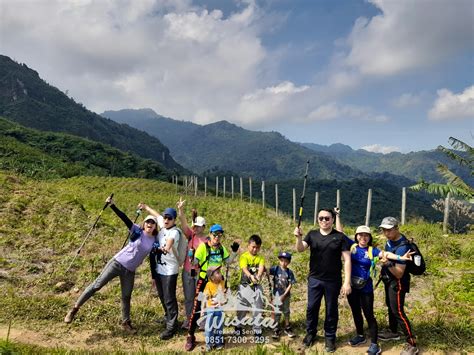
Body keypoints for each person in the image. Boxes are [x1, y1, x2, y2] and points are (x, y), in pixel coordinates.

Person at [64, 196, 158, 334]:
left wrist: (154, 277)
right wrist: (113, 206)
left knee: (126, 296)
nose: (150, 224)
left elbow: (153, 259)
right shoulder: (137, 231)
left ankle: (126, 323)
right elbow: (124, 218)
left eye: (152, 223)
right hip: (117, 263)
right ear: (144, 224)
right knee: (97, 285)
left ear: (155, 226)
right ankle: (74, 309)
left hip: (130, 271)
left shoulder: (154, 241)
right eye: (148, 222)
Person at [340, 224, 414, 355]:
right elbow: (340, 233)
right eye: (360, 235)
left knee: (369, 315)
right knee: (356, 312)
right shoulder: (352, 246)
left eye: (366, 235)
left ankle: (375, 344)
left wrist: (400, 258)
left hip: (366, 288)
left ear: (369, 237)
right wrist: (337, 216)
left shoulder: (372, 251)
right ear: (356, 236)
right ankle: (360, 336)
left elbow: (386, 254)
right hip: (352, 286)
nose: (363, 237)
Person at [294, 208, 352, 353]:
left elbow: (347, 259)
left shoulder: (340, 237)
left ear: (333, 219)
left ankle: (330, 337)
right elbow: (300, 249)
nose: (324, 221)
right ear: (317, 220)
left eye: (327, 218)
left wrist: (346, 281)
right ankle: (310, 333)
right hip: (314, 279)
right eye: (321, 218)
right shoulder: (312, 235)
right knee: (311, 307)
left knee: (331, 309)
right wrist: (298, 238)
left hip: (333, 280)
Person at [184, 224, 239, 351]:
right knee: (197, 307)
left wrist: (234, 252)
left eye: (220, 235)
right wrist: (191, 256)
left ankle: (216, 336)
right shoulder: (203, 247)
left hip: (218, 283)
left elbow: (228, 262)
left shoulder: (221, 249)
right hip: (204, 282)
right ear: (210, 234)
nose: (217, 237)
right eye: (215, 234)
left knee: (218, 308)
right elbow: (195, 264)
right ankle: (190, 335)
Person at [378, 217, 419, 355]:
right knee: (390, 306)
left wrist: (386, 264)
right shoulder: (390, 241)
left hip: (398, 283)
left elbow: (399, 273)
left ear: (396, 228)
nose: (386, 232)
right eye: (384, 229)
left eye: (389, 230)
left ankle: (411, 343)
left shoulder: (402, 247)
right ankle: (393, 331)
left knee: (398, 311)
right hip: (389, 280)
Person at [141, 204, 180, 340]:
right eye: (165, 217)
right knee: (162, 296)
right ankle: (168, 317)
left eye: (169, 218)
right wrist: (145, 207)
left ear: (174, 220)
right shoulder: (162, 225)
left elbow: (169, 243)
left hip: (170, 270)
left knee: (169, 298)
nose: (166, 220)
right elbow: (156, 214)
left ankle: (172, 326)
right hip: (159, 269)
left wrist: (165, 248)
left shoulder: (175, 231)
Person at [176, 198, 208, 330]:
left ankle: (200, 320)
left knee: (200, 297)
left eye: (200, 225)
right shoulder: (191, 235)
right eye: (196, 225)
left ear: (204, 227)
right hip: (188, 271)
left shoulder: (207, 240)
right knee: (189, 297)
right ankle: (189, 319)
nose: (197, 227)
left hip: (201, 272)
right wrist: (181, 210)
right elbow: (183, 224)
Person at [235, 234, 266, 340]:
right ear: (248, 245)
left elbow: (261, 268)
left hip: (256, 286)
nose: (255, 249)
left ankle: (257, 329)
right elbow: (244, 268)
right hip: (244, 286)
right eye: (253, 247)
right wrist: (251, 276)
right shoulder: (244, 256)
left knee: (258, 307)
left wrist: (258, 276)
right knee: (242, 307)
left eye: (257, 247)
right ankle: (239, 326)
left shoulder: (260, 258)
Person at [270, 251, 296, 340]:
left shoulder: (289, 272)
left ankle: (287, 326)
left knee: (286, 311)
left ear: (289, 262)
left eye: (285, 261)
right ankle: (276, 328)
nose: (283, 263)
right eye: (281, 260)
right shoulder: (275, 269)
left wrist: (284, 295)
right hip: (277, 295)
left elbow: (290, 284)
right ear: (279, 261)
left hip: (286, 296)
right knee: (277, 311)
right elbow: (266, 271)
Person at [202, 265, 226, 351]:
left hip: (219, 309)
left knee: (219, 326)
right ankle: (209, 344)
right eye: (218, 273)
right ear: (212, 277)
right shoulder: (208, 284)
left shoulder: (222, 283)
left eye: (220, 272)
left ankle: (218, 342)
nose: (220, 274)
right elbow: (206, 296)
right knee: (209, 327)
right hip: (210, 309)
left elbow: (224, 294)